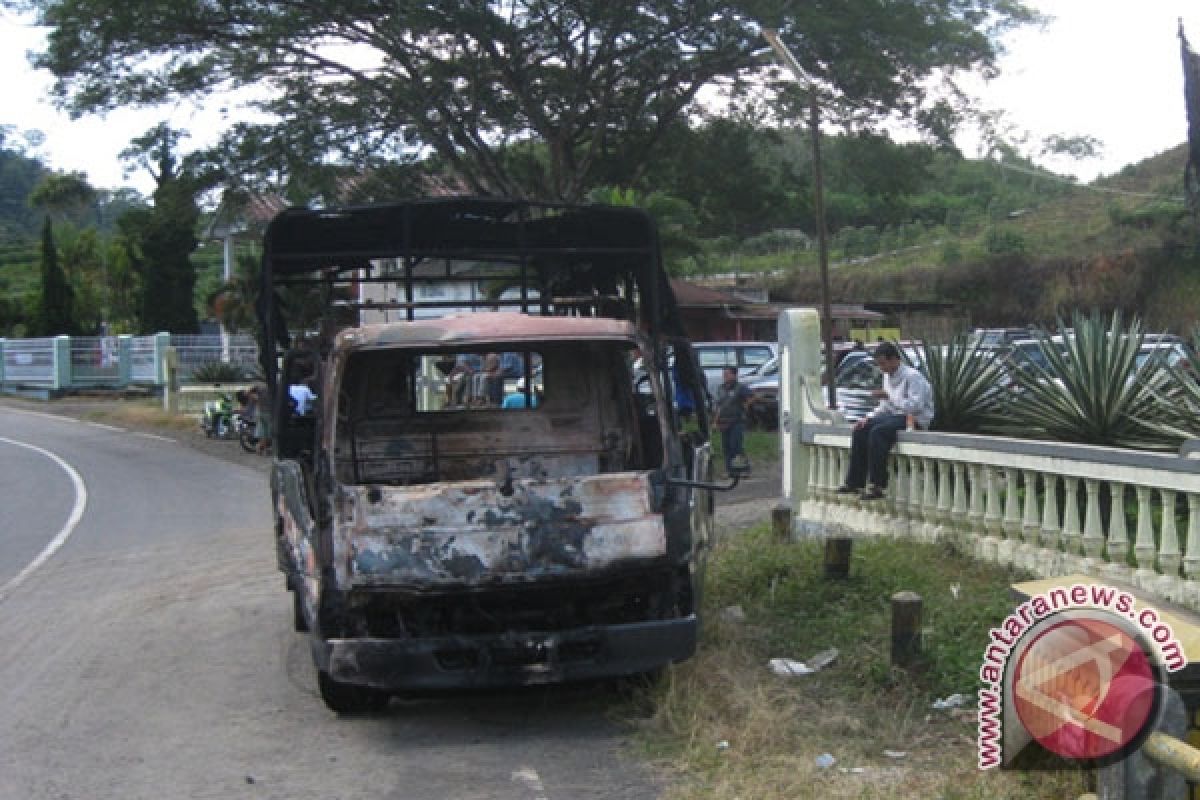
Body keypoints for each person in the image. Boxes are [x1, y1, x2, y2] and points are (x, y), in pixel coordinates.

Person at [837, 341, 934, 500]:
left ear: (895, 359)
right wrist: (867, 418)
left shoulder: (913, 376)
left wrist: (890, 397)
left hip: (914, 418)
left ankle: (878, 484)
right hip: (893, 416)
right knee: (861, 430)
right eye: (879, 365)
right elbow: (885, 407)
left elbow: (916, 406)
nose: (882, 368)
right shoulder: (887, 377)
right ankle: (855, 482)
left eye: (884, 363)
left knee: (878, 432)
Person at [714, 366, 751, 477]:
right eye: (724, 374)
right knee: (726, 447)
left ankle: (743, 469)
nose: (725, 376)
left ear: (734, 375)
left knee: (736, 446)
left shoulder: (740, 388)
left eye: (727, 374)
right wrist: (715, 421)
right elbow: (718, 406)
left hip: (736, 421)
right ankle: (730, 470)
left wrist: (746, 405)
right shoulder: (721, 388)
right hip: (724, 421)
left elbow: (752, 396)